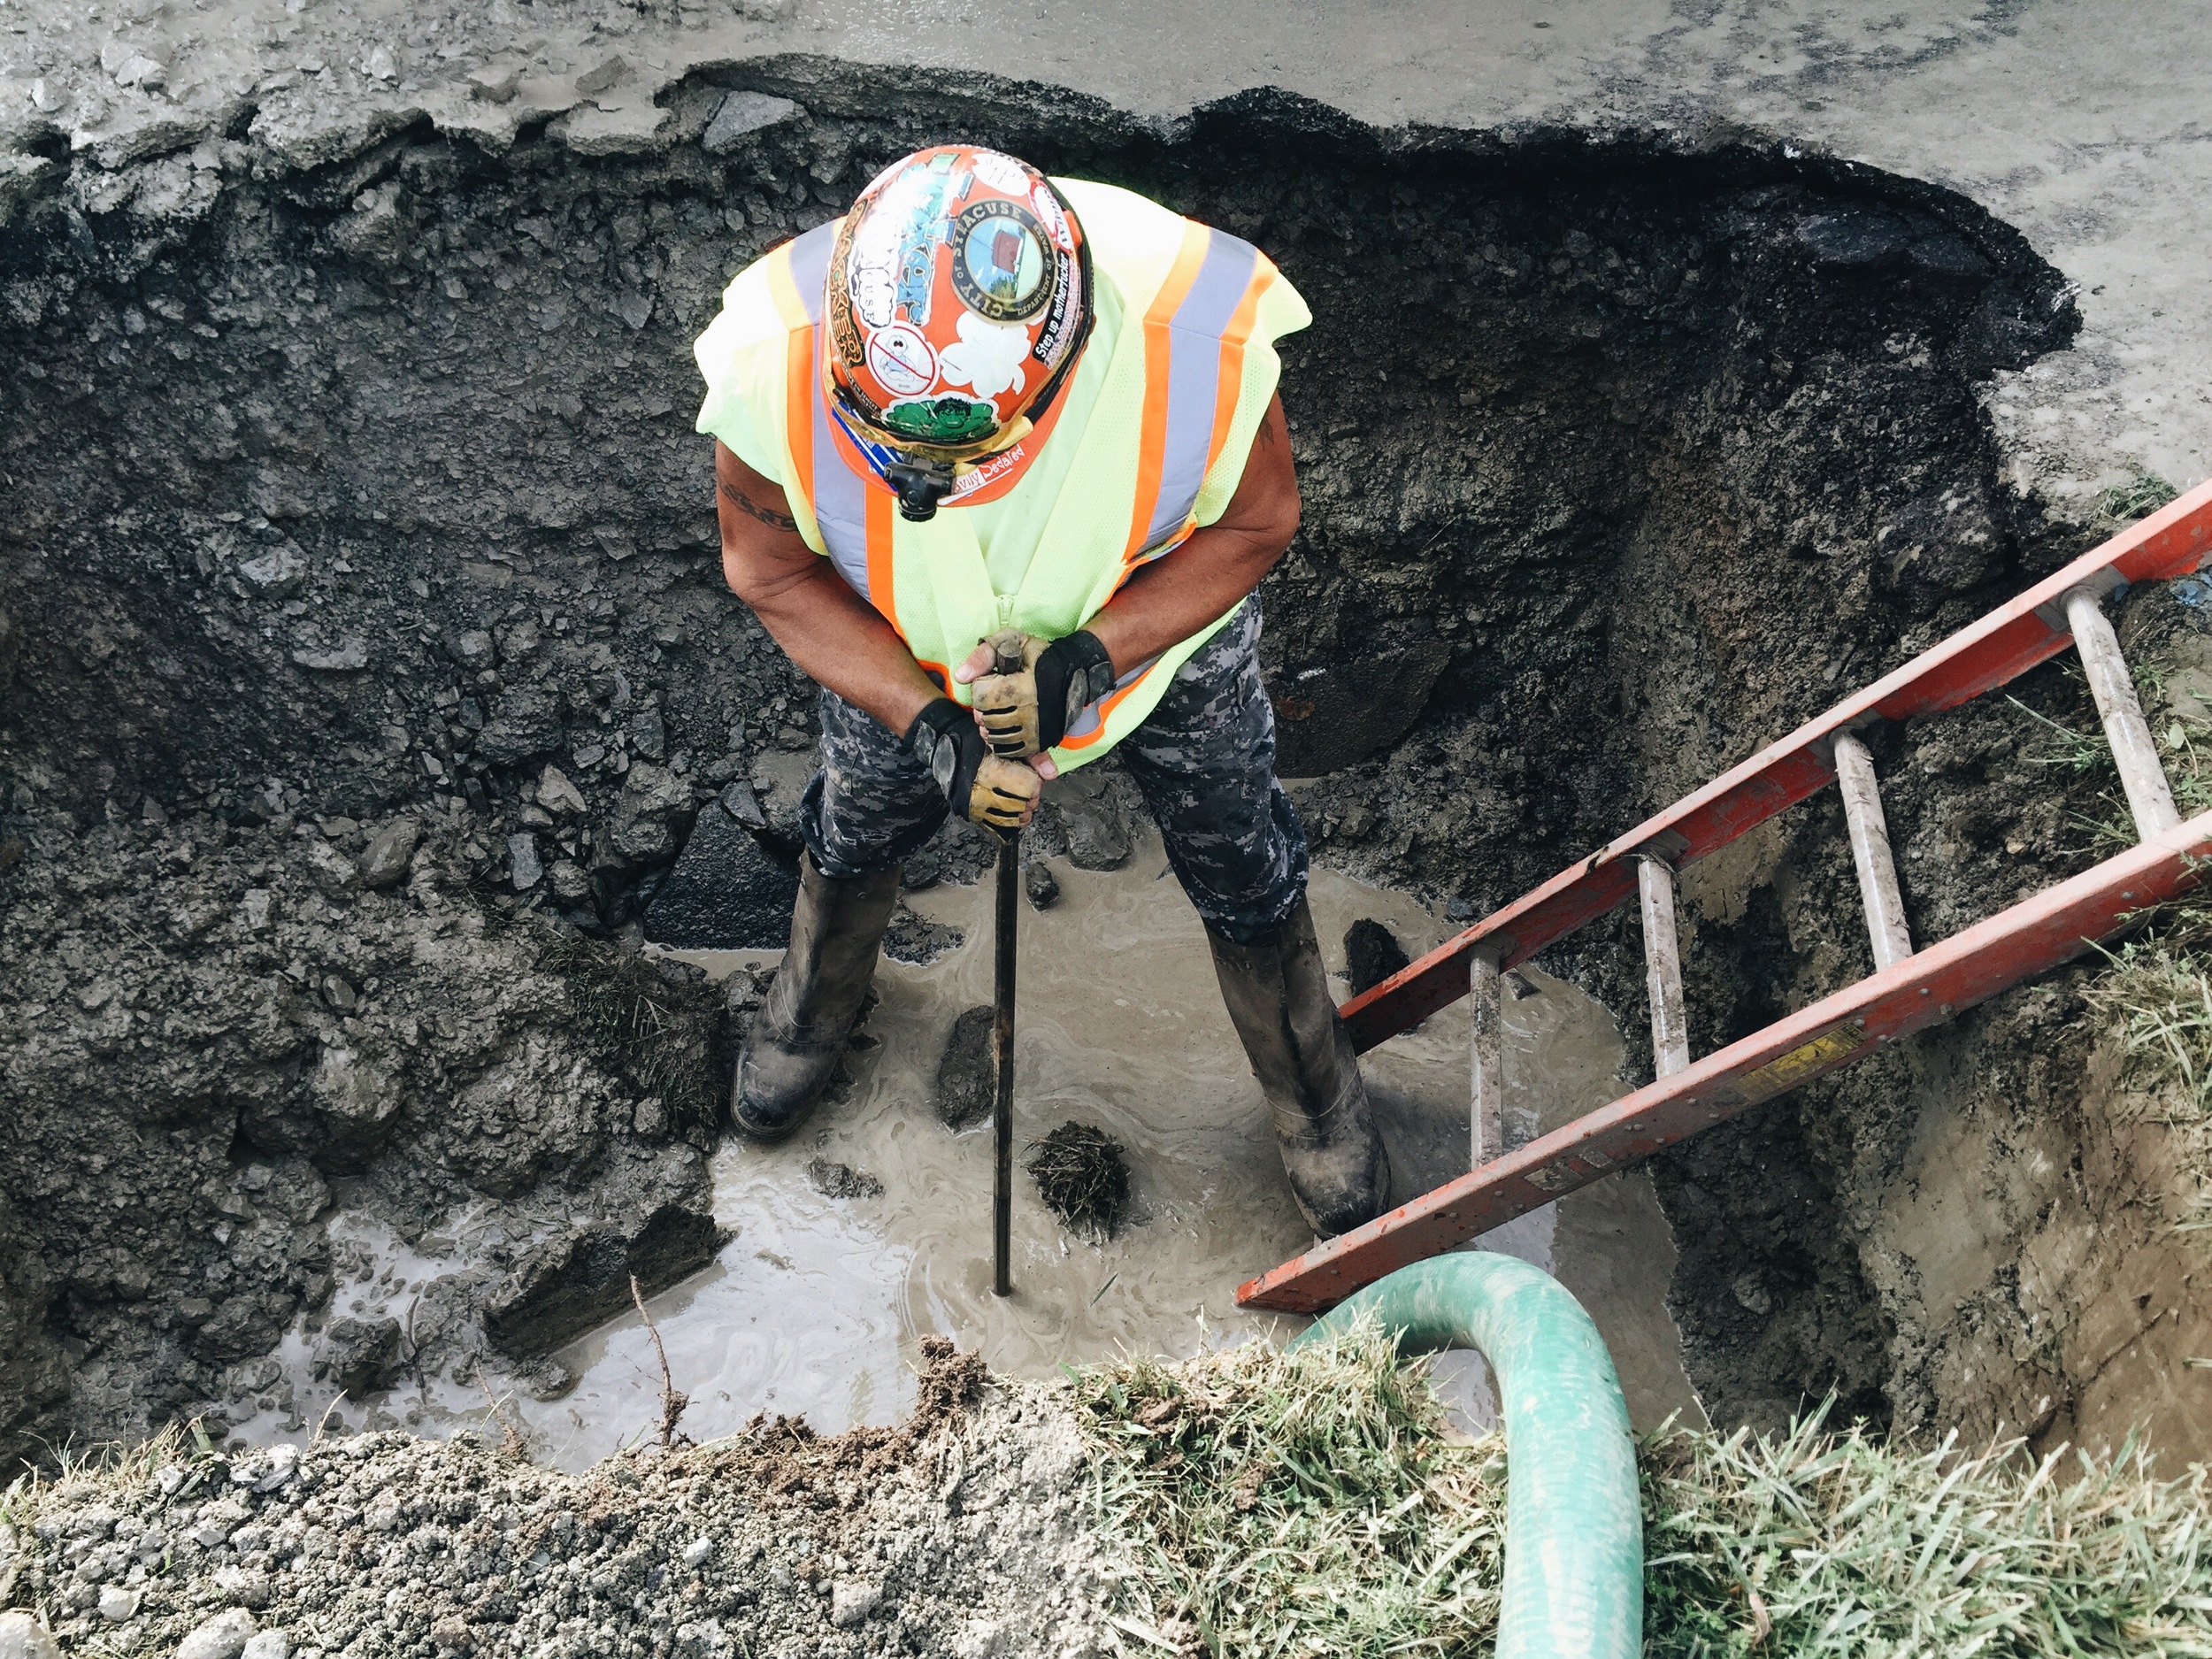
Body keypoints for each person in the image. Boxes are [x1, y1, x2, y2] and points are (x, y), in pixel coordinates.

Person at [690, 144, 1390, 1236]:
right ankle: (810, 1014)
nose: (938, 491)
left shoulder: (1193, 336)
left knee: (1240, 854)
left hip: (1158, 633)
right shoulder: (773, 352)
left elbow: (1255, 520)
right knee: (858, 824)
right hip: (901, 647)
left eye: (967, 460)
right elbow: (771, 568)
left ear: (1066, 370)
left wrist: (1092, 659)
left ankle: (1314, 1095)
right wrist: (932, 731)